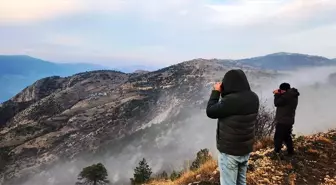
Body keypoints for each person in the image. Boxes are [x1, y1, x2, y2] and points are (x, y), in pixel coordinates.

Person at [206, 69, 259, 185]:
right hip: (245, 149)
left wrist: (216, 92)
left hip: (230, 151)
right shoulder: (254, 97)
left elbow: (210, 111)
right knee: (241, 181)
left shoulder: (231, 101)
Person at [273, 82, 300, 156]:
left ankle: (277, 152)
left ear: (284, 90)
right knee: (287, 136)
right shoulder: (292, 95)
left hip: (283, 120)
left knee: (278, 137)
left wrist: (277, 94)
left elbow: (277, 103)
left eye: (281, 90)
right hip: (289, 120)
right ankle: (290, 151)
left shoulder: (287, 96)